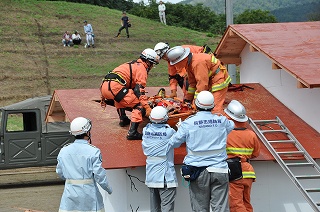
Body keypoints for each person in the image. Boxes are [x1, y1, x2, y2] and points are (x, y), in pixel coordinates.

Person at [169, 91, 234, 212]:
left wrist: (180, 129)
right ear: (213, 106)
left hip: (197, 171)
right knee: (221, 209)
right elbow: (231, 126)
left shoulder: (188, 123)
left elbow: (174, 143)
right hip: (220, 169)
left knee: (199, 209)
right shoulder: (221, 120)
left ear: (195, 104)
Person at [100, 48, 160, 140]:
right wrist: (147, 107)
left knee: (122, 97)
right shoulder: (142, 68)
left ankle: (123, 119)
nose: (152, 67)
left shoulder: (132, 64)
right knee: (139, 105)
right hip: (115, 87)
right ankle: (133, 133)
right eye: (152, 64)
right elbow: (139, 90)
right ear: (148, 62)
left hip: (105, 87)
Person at [56, 117, 112, 212]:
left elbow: (59, 172)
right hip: (89, 195)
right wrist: (108, 188)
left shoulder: (64, 151)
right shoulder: (93, 151)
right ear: (87, 132)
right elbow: (99, 175)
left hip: (69, 195)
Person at [166, 46, 231, 113]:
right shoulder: (189, 64)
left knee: (215, 108)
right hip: (210, 80)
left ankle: (220, 121)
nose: (175, 66)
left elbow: (202, 86)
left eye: (176, 64)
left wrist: (195, 103)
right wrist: (187, 99)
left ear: (182, 60)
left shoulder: (197, 63)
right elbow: (193, 84)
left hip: (219, 80)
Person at [224, 100, 260, 212]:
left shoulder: (226, 133)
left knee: (236, 205)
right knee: (246, 203)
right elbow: (255, 153)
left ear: (229, 117)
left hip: (235, 172)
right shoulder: (251, 134)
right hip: (248, 172)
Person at [142, 106, 179, 212]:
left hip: (151, 176)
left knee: (154, 209)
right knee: (167, 209)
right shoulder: (169, 132)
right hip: (165, 177)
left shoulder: (146, 131)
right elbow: (179, 141)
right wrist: (181, 128)